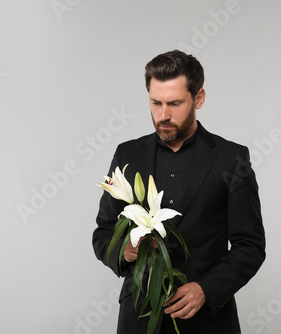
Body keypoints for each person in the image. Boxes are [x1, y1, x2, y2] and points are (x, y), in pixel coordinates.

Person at [92, 50, 266, 334]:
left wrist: (205, 289)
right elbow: (103, 232)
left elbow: (250, 246)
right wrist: (125, 251)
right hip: (138, 318)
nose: (163, 115)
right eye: (155, 103)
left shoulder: (232, 159)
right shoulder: (127, 154)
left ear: (199, 98)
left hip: (208, 321)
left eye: (174, 103)